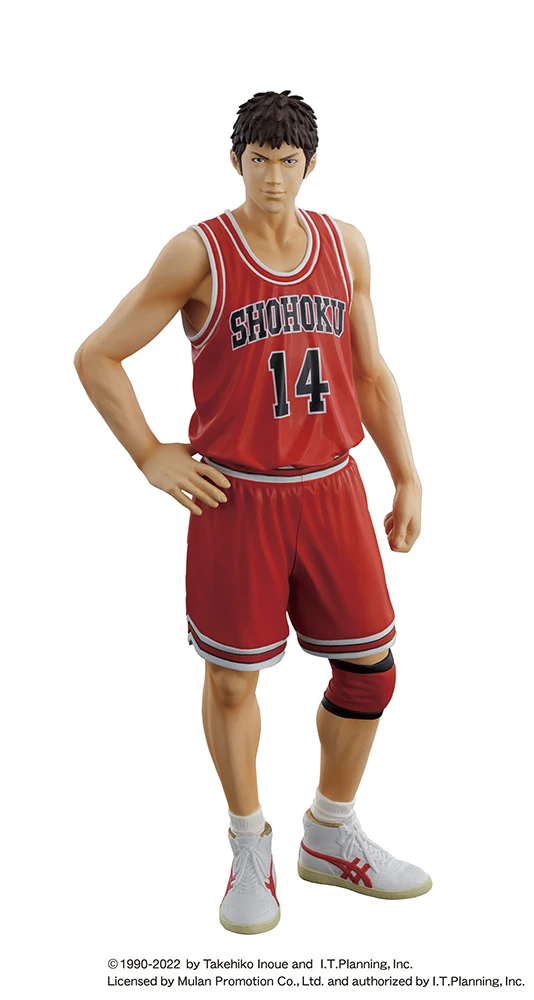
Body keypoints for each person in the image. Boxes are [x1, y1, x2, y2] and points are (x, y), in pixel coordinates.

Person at [74, 88, 432, 936]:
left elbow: (370, 372)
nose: (274, 177)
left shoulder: (345, 245)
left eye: (289, 160)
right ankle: (248, 845)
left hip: (333, 488)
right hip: (238, 496)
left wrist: (407, 474)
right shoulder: (199, 252)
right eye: (260, 159)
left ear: (312, 165)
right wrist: (150, 452)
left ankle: (330, 834)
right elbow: (97, 355)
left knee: (371, 668)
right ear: (236, 161)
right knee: (233, 680)